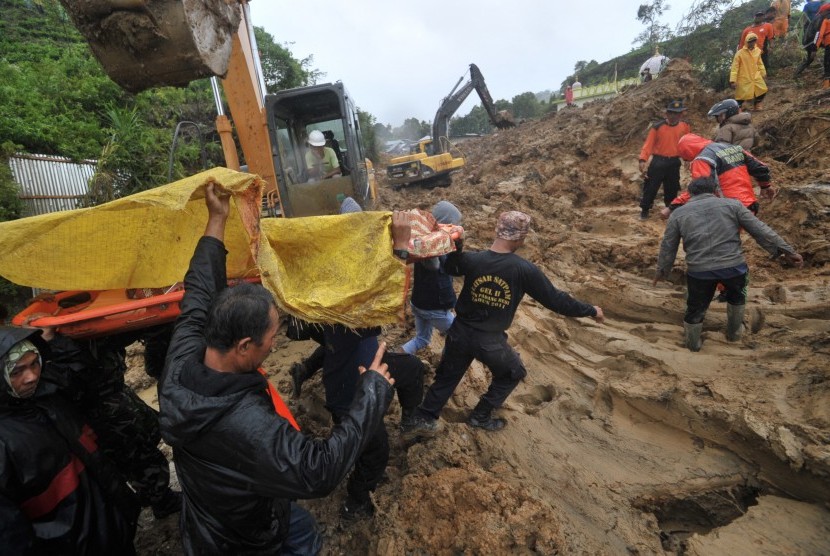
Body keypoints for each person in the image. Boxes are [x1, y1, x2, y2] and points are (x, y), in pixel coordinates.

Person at [158, 182, 396, 554]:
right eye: (272, 338)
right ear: (243, 346)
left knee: (300, 525)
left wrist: (216, 219)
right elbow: (318, 472)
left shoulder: (182, 362)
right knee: (300, 540)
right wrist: (372, 393)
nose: (275, 343)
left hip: (212, 509)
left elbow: (199, 291)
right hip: (245, 537)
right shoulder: (245, 425)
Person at [403, 211, 604, 435]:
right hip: (489, 339)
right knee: (512, 372)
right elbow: (556, 301)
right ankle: (480, 416)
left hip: (459, 331)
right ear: (521, 238)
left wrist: (457, 248)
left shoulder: (474, 259)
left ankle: (423, 418)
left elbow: (449, 267)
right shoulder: (523, 269)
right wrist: (591, 310)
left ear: (496, 231)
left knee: (447, 376)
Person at [0, 326, 139, 554]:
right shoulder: (5, 441)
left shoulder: (47, 394)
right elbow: (10, 537)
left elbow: (85, 374)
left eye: (35, 363)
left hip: (113, 526)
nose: (32, 376)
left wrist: (54, 342)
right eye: (17, 371)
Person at [654, 177, 803, 351]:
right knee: (738, 297)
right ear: (716, 191)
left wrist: (662, 271)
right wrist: (787, 251)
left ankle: (692, 345)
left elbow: (668, 245)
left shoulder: (678, 214)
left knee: (695, 307)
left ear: (690, 195)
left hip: (700, 271)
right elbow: (760, 230)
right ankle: (734, 335)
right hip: (735, 268)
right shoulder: (733, 205)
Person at [662, 133, 777, 218]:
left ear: (686, 152)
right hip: (750, 206)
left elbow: (700, 189)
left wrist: (672, 207)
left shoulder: (702, 159)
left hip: (728, 210)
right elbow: (759, 167)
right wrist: (765, 186)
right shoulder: (731, 147)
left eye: (685, 158)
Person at [401, 200, 462, 355]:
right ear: (445, 222)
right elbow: (433, 265)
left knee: (421, 339)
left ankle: (394, 358)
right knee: (460, 335)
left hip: (419, 303)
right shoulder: (428, 241)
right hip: (433, 307)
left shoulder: (424, 236)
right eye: (453, 223)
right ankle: (445, 367)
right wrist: (437, 243)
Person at [637, 99, 691, 220]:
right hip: (658, 162)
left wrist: (687, 158)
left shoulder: (685, 126)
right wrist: (642, 159)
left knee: (672, 188)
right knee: (651, 187)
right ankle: (644, 210)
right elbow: (648, 145)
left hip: (674, 162)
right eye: (671, 113)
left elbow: (686, 144)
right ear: (666, 114)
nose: (674, 116)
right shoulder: (657, 127)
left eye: (677, 113)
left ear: (681, 115)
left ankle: (670, 210)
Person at [731, 33, 768, 111]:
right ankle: (738, 108)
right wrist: (733, 80)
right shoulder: (739, 53)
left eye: (754, 41)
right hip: (744, 77)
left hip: (755, 76)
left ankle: (757, 104)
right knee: (741, 95)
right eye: (750, 41)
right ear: (746, 42)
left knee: (762, 89)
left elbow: (760, 63)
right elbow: (735, 67)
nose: (752, 43)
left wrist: (763, 73)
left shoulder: (758, 51)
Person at [795, 2, 830, 77]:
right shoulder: (821, 19)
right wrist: (814, 49)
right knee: (810, 58)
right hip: (811, 41)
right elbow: (818, 34)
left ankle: (826, 75)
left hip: (817, 40)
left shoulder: (821, 17)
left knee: (826, 56)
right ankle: (796, 74)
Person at [817, 4, 830, 89]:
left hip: (829, 43)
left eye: (821, 12)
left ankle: (826, 85)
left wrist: (816, 47)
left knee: (827, 63)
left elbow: (821, 35)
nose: (821, 14)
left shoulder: (826, 20)